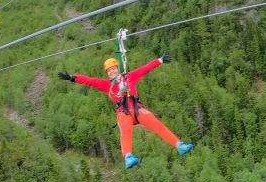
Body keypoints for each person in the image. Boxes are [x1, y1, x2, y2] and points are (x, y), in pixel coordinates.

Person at [57, 54, 194, 168]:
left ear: (117, 69)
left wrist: (160, 60)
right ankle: (128, 156)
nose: (111, 72)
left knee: (154, 122)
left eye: (113, 69)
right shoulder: (107, 85)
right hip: (124, 112)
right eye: (109, 70)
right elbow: (90, 81)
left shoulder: (129, 77)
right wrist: (72, 77)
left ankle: (179, 145)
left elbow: (144, 69)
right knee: (126, 129)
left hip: (137, 110)